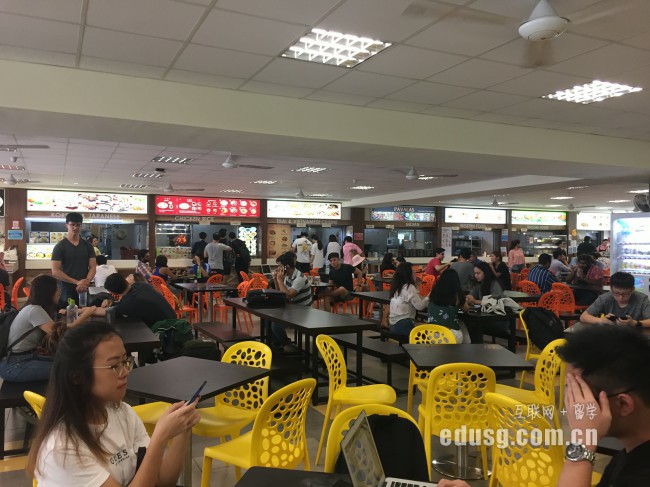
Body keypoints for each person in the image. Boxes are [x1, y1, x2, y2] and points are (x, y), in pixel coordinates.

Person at [27, 322, 200, 486]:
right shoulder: (62, 448)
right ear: (77, 376)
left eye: (124, 362)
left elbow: (163, 480)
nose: (125, 372)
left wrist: (182, 428)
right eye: (114, 366)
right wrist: (160, 437)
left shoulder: (121, 412)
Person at [557, 326, 650, 486]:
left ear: (623, 404)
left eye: (580, 395)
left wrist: (583, 443)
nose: (571, 406)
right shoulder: (629, 455)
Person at [0, 274, 95, 382]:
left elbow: (56, 331)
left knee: (70, 363)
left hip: (26, 358)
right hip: (15, 365)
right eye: (57, 289)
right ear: (48, 292)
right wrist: (85, 316)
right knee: (69, 370)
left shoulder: (35, 308)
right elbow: (60, 333)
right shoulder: (34, 310)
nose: (59, 291)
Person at [51, 212, 97, 308]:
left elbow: (93, 267)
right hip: (66, 290)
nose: (75, 228)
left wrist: (87, 281)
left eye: (78, 225)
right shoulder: (60, 246)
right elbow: (55, 271)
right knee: (67, 314)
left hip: (84, 289)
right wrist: (77, 282)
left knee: (85, 313)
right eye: (72, 225)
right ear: (66, 225)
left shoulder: (88, 246)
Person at [99, 273, 176, 328]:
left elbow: (107, 311)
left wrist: (93, 310)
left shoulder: (126, 304)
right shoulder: (142, 284)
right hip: (174, 321)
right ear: (125, 281)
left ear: (113, 293)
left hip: (165, 330)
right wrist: (112, 302)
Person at [270, 252, 312, 350]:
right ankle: (277, 346)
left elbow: (288, 295)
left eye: (280, 266)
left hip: (302, 311)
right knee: (268, 319)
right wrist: (276, 280)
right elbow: (281, 294)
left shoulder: (300, 277)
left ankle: (286, 344)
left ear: (287, 267)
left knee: (276, 325)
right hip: (292, 308)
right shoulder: (287, 276)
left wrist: (280, 280)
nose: (278, 269)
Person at [577, 271, 650, 328]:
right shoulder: (605, 298)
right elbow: (583, 317)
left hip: (636, 335)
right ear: (611, 289)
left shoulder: (642, 299)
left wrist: (635, 323)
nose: (621, 298)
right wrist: (602, 321)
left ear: (632, 290)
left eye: (625, 294)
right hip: (611, 334)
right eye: (616, 293)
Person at [427, 268, 469, 343]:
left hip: (431, 335)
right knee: (462, 324)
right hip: (450, 336)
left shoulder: (433, 292)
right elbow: (466, 309)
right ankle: (468, 347)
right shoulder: (457, 294)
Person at [388, 262, 429, 337]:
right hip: (403, 325)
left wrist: (417, 285)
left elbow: (413, 298)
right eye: (413, 271)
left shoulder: (397, 286)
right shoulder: (409, 287)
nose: (415, 274)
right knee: (429, 330)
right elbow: (420, 306)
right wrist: (428, 297)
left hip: (393, 325)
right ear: (408, 274)